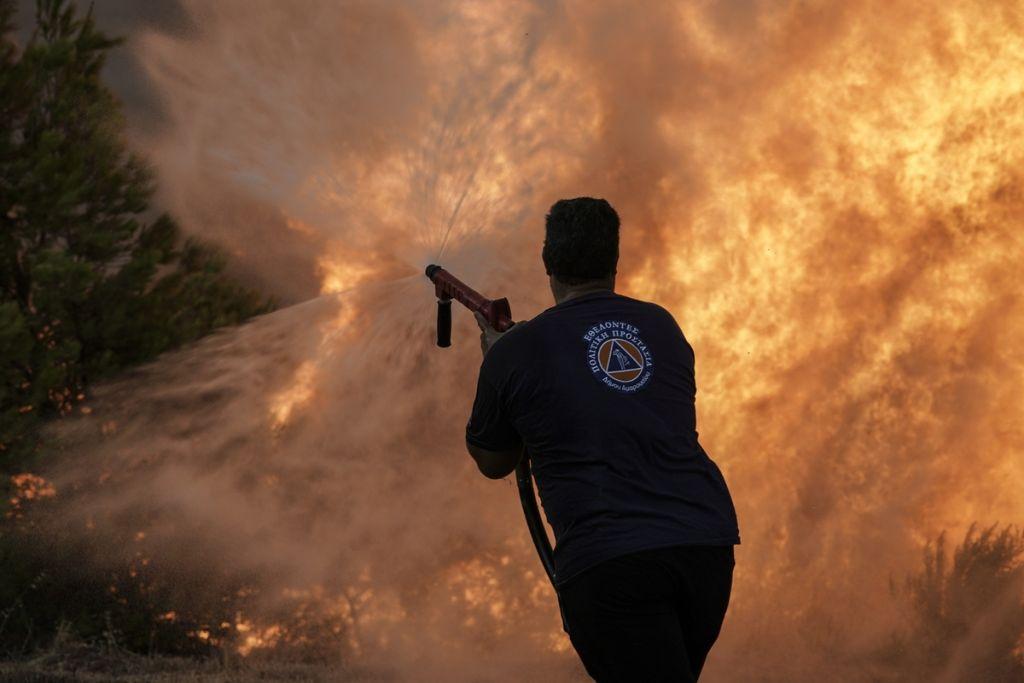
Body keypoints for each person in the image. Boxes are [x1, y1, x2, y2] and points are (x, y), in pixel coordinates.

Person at [464, 197, 740, 682]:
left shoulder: (516, 353)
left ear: (548, 261)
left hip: (611, 561)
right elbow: (629, 408)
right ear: (615, 260)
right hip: (704, 547)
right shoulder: (662, 326)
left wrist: (496, 360)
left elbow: (493, 460)